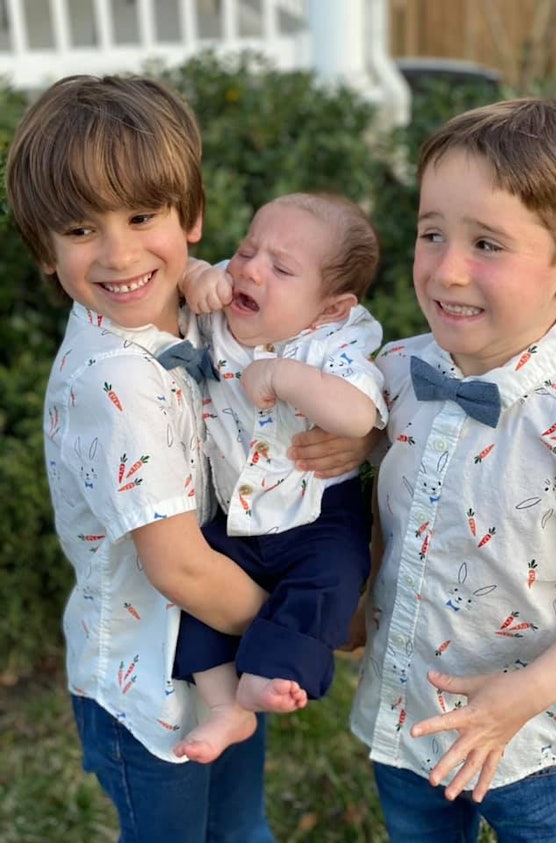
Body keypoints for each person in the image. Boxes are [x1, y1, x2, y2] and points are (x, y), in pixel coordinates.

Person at [5, 74, 370, 843]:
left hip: (218, 659)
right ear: (44, 249)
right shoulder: (117, 380)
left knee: (238, 826)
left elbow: (311, 353)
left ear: (192, 216)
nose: (120, 252)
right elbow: (179, 568)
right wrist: (303, 630)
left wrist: (360, 434)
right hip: (148, 684)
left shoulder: (188, 310)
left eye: (143, 216)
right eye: (79, 230)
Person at [349, 98, 556, 843]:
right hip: (411, 712)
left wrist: (528, 692)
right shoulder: (392, 375)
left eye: (487, 244)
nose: (447, 268)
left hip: (530, 740)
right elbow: (361, 501)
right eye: (432, 233)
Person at [168, 192, 388, 763]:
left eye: (281, 267)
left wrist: (286, 375)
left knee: (329, 584)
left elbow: (359, 416)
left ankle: (271, 672)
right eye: (247, 249)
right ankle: (223, 707)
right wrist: (194, 274)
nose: (251, 268)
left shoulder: (335, 341)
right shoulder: (228, 294)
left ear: (331, 307)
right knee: (195, 594)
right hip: (237, 515)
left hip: (316, 512)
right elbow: (185, 279)